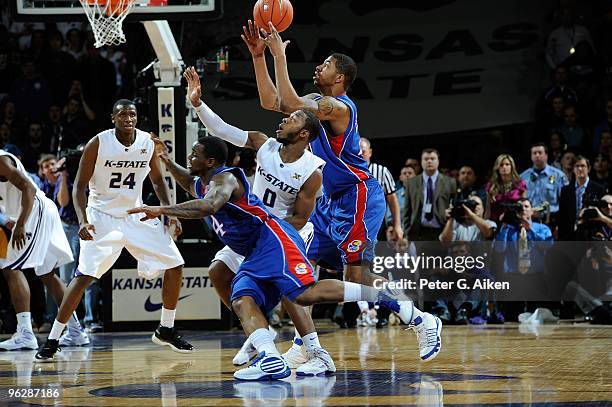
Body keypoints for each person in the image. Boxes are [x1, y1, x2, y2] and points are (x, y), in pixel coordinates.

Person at [126, 136, 433, 380]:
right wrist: (167, 160)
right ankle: (270, 358)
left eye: (193, 155)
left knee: (302, 293)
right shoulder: (204, 180)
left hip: (272, 239)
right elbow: (186, 182)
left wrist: (160, 210)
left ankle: (378, 298)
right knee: (241, 296)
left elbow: (208, 207)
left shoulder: (225, 180)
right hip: (255, 249)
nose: (189, 159)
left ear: (210, 161)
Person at [247, 21, 442, 359]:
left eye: (326, 64)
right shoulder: (314, 102)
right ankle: (307, 347)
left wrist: (280, 55)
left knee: (357, 279)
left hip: (357, 197)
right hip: (330, 201)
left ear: (339, 78)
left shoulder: (341, 107)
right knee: (295, 272)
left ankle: (420, 319)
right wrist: (258, 56)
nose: (318, 67)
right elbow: (271, 101)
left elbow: (290, 98)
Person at [182, 67, 333, 375]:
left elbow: (301, 217)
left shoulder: (311, 171)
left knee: (292, 290)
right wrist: (197, 103)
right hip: (256, 229)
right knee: (218, 272)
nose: (284, 118)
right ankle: (258, 332)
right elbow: (223, 130)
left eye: (292, 119)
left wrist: (266, 235)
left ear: (304, 134)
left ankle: (317, 352)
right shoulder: (265, 145)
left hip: (287, 231)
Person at [35, 99, 191, 362]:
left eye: (132, 114)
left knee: (175, 264)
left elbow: (156, 179)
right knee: (84, 277)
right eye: (123, 114)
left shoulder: (146, 143)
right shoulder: (99, 143)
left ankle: (166, 328)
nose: (128, 118)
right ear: (113, 118)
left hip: (136, 214)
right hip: (103, 216)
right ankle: (53, 338)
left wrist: (168, 211)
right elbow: (79, 186)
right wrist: (83, 221)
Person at [0, 148, 89, 351]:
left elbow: (28, 189)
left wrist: (21, 224)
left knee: (11, 267)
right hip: (38, 210)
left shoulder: (1, 161)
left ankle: (25, 334)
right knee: (47, 274)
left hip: (33, 211)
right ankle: (76, 331)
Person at [404, 148, 457, 241]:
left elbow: (454, 205)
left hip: (442, 230)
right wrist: (407, 232)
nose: (429, 161)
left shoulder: (450, 182)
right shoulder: (412, 182)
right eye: (426, 159)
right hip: (419, 233)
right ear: (421, 162)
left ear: (438, 161)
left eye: (432, 159)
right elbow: (407, 210)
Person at [558, 156, 606, 240]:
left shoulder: (599, 189)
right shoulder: (565, 190)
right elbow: (563, 217)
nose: (580, 169)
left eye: (583, 166)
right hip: (569, 236)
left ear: (589, 168)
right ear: (573, 169)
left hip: (591, 235)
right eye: (577, 166)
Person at [485, 154, 527, 223]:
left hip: (515, 222)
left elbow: (524, 208)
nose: (504, 167)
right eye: (501, 165)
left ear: (512, 167)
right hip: (496, 223)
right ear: (497, 167)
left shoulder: (520, 184)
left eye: (507, 164)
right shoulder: (491, 186)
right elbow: (488, 210)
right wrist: (485, 224)